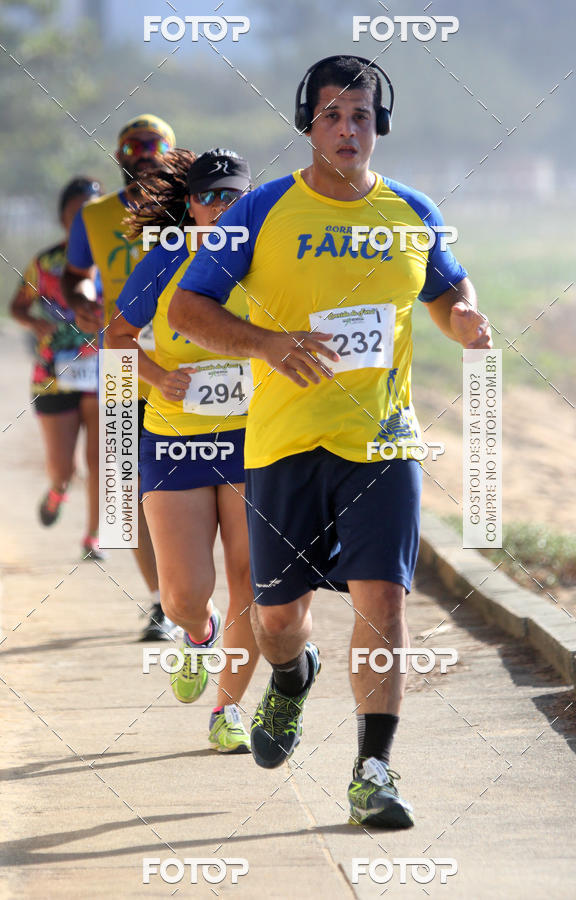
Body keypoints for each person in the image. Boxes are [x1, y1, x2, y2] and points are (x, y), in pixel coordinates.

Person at [168, 56, 493, 827]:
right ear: (307, 123)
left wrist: (466, 322)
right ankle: (289, 678)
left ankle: (372, 770)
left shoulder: (412, 211)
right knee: (279, 618)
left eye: (361, 115)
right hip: (285, 444)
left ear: (379, 124)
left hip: (382, 444)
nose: (348, 129)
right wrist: (267, 343)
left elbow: (449, 290)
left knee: (384, 604)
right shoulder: (263, 213)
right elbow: (187, 309)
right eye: (331, 115)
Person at [106, 148, 259, 752]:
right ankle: (199, 636)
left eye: (232, 197)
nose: (221, 208)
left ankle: (228, 709)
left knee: (252, 580)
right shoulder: (165, 260)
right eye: (209, 197)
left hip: (255, 439)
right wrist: (156, 377)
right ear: (189, 206)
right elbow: (116, 339)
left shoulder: (266, 262)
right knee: (184, 595)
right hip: (175, 439)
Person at [61, 114, 178, 641]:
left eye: (155, 150)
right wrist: (84, 303)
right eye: (135, 150)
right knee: (126, 491)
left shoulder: (188, 209)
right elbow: (75, 277)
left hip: (191, 367)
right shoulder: (96, 216)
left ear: (172, 158)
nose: (144, 158)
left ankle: (206, 596)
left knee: (212, 488)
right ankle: (160, 602)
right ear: (120, 158)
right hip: (122, 367)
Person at [10, 176, 105, 560]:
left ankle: (94, 536)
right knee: (63, 469)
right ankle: (57, 491)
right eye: (76, 211)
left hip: (106, 371)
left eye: (92, 211)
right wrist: (34, 323)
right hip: (54, 375)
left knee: (102, 460)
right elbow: (17, 305)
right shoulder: (45, 263)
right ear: (63, 216)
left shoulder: (114, 259)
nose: (84, 217)